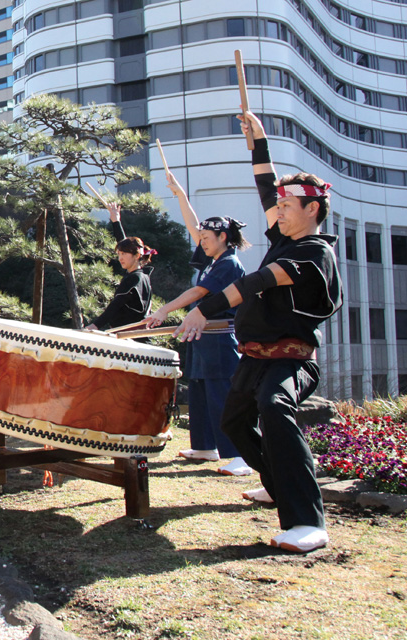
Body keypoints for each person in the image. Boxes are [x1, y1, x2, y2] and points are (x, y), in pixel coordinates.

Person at [175, 111, 342, 553]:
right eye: (279, 207)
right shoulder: (286, 239)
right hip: (255, 355)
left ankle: (308, 520)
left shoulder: (313, 252)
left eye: (288, 207)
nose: (277, 210)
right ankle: (276, 482)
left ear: (313, 209)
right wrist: (259, 144)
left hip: (290, 357)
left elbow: (255, 284)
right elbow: (267, 187)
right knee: (234, 420)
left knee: (274, 407)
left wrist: (200, 310)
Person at [141, 171, 253, 477]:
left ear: (223, 238)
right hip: (201, 336)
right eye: (201, 238)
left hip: (220, 337)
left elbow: (199, 293)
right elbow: (194, 227)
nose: (200, 241)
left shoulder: (229, 263)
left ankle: (241, 455)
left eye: (206, 238)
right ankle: (205, 446)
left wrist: (164, 310)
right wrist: (180, 195)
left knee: (221, 397)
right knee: (202, 393)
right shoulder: (214, 259)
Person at [84, 201, 155, 331]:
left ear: (137, 255)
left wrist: (95, 326)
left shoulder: (135, 279)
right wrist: (116, 221)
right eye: (119, 254)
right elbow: (124, 243)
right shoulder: (140, 275)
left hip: (130, 335)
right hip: (131, 333)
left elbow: (116, 305)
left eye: (124, 254)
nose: (120, 258)